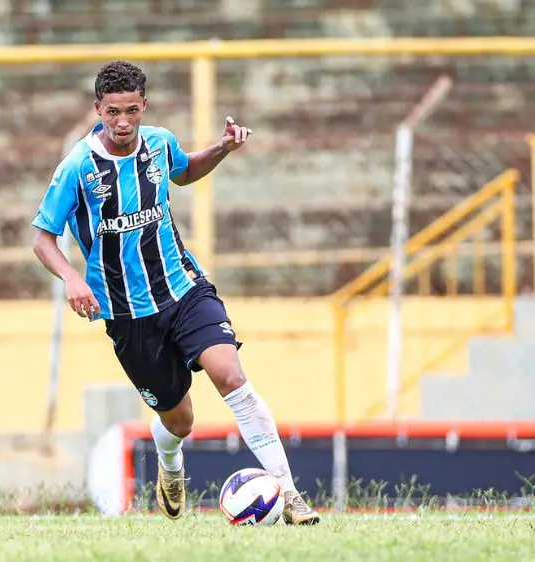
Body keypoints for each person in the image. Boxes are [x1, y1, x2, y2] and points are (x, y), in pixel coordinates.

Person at [31, 60, 320, 525]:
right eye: (112, 112)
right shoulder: (78, 168)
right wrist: (71, 276)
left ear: (143, 105)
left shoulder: (160, 143)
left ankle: (290, 495)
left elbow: (183, 173)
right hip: (127, 315)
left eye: (131, 110)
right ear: (97, 109)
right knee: (180, 421)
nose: (122, 122)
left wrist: (222, 148)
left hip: (184, 288)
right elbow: (43, 236)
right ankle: (171, 461)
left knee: (229, 375)